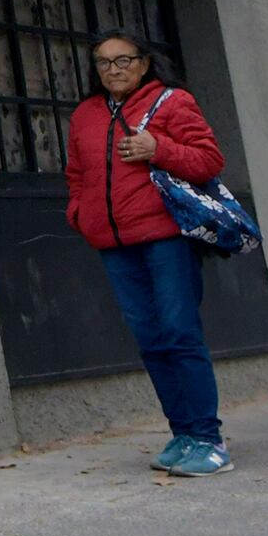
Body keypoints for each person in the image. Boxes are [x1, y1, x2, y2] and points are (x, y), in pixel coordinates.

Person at [64, 26, 233, 477]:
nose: (114, 69)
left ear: (143, 63)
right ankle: (182, 434)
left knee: (180, 332)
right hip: (114, 245)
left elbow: (208, 159)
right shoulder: (85, 115)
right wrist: (80, 213)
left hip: (166, 239)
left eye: (123, 60)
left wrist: (160, 148)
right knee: (151, 341)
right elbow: (75, 173)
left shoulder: (172, 102)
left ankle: (208, 439)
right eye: (104, 62)